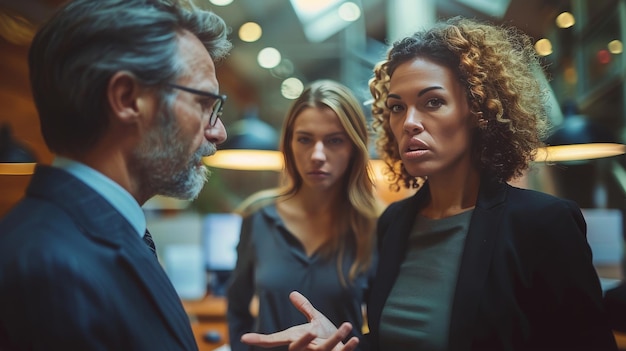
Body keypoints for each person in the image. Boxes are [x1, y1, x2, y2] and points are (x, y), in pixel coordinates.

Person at [239, 17, 618, 351]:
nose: (409, 123)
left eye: (432, 102)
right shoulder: (395, 222)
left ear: (478, 111)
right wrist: (341, 343)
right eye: (397, 107)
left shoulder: (542, 223)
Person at [0, 0, 231, 350]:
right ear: (126, 99)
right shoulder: (52, 269)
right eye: (203, 104)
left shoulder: (105, 233)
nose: (219, 132)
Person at [227, 79, 381, 351]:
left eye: (334, 140)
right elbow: (237, 308)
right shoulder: (259, 216)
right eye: (305, 139)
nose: (317, 155)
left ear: (354, 148)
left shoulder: (375, 226)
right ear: (289, 144)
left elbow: (385, 331)